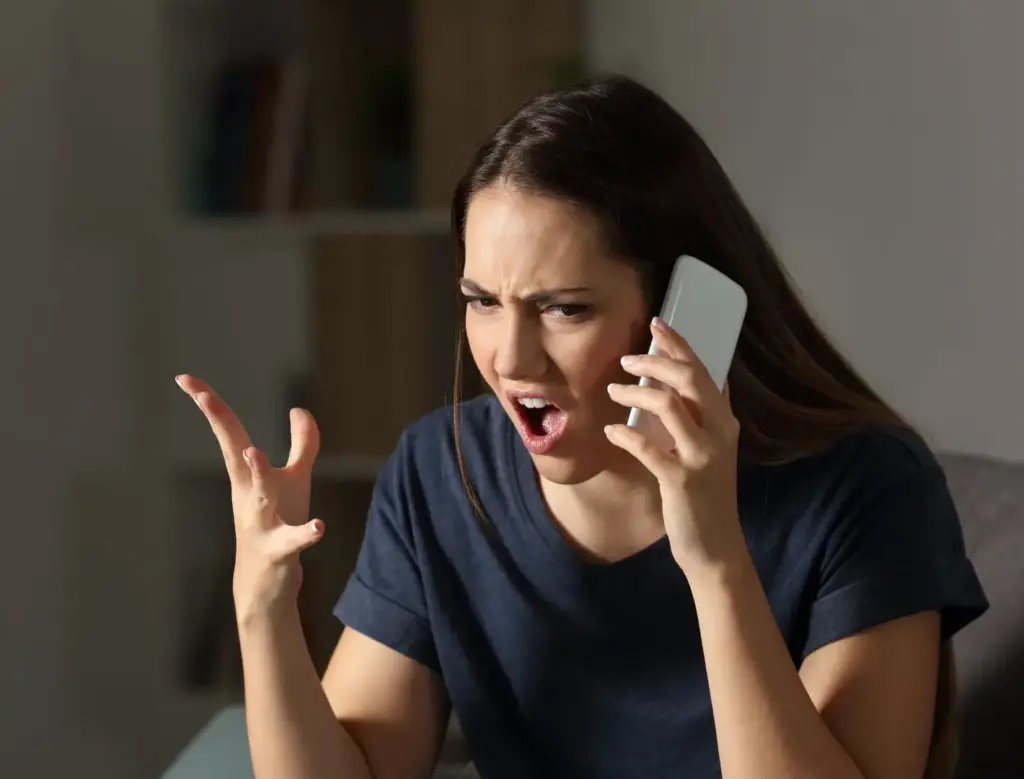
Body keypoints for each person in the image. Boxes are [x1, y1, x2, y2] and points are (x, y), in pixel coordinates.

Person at [176, 74, 988, 779]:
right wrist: (264, 608)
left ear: (680, 310)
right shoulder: (440, 472)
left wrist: (714, 561)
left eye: (564, 308)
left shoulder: (869, 488)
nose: (511, 358)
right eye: (481, 302)